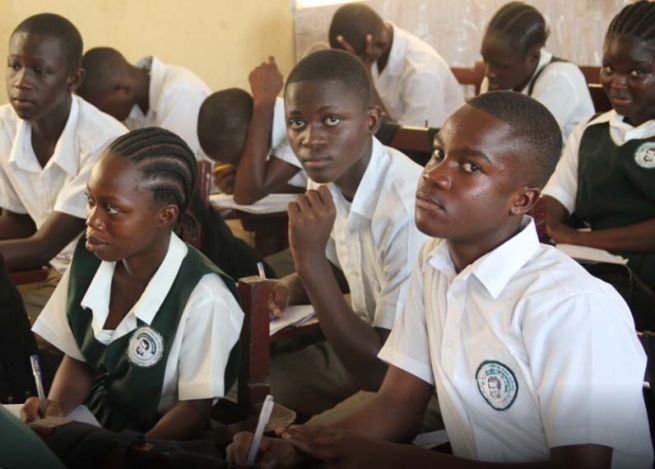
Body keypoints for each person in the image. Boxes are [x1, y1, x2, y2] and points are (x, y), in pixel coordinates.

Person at [227, 91, 653, 468]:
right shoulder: (437, 261)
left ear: (521, 200)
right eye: (437, 152)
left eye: (469, 166)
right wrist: (298, 448)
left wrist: (392, 459)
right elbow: (397, 402)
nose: (433, 174)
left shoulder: (569, 305)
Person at [21, 128, 243, 441]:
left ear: (165, 216)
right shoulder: (89, 263)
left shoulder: (204, 294)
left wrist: (125, 452)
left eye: (112, 208)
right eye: (90, 201)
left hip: (160, 440)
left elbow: (194, 411)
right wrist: (54, 409)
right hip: (96, 419)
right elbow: (79, 359)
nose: (93, 220)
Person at [267, 49, 429, 422]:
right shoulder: (330, 168)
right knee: (240, 389)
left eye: (331, 119)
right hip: (356, 341)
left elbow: (380, 374)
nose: (311, 139)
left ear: (371, 121)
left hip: (408, 376)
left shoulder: (407, 211)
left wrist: (307, 262)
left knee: (306, 443)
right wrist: (291, 285)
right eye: (296, 122)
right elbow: (345, 267)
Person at [0, 14, 127, 321]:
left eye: (40, 71)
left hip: (109, 287)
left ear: (73, 80)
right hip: (56, 278)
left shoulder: (103, 141)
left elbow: (43, 246)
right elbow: (19, 221)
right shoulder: (5, 127)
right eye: (15, 66)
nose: (21, 82)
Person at [542, 0, 655, 288]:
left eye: (636, 73)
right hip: (593, 268)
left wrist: (580, 239)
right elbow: (555, 199)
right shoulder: (591, 130)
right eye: (609, 68)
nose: (617, 82)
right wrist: (536, 221)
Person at [328, 3, 463, 128]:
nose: (350, 67)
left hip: (428, 149)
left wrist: (364, 74)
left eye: (353, 61)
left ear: (369, 47)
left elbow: (411, 141)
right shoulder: (377, 47)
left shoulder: (422, 73)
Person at [197, 56, 306, 204]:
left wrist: (264, 104)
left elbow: (245, 196)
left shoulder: (300, 122)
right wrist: (236, 183)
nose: (240, 167)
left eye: (239, 160)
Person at [480, 1, 594, 141]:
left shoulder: (559, 79)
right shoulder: (496, 80)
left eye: (503, 66)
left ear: (533, 57)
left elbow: (526, 144)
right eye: (486, 60)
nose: (489, 73)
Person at [76, 47, 210, 160]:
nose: (103, 115)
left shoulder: (179, 93)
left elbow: (169, 167)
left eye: (102, 109)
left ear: (123, 89)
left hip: (212, 190)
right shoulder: (132, 107)